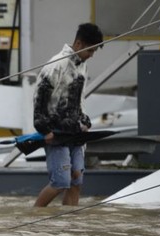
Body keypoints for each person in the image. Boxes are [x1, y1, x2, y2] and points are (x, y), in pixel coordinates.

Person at [33, 23, 103, 207]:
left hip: (76, 132)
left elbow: (80, 99)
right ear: (79, 44)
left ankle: (69, 225)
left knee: (76, 181)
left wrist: (85, 121)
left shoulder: (83, 66)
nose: (92, 55)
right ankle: (34, 215)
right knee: (60, 182)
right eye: (91, 50)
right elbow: (39, 97)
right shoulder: (56, 64)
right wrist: (43, 129)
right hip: (56, 133)